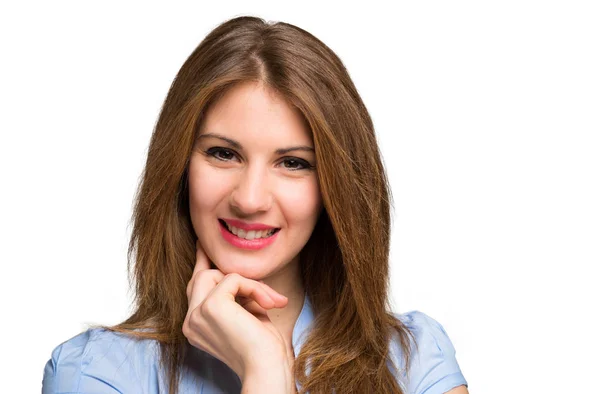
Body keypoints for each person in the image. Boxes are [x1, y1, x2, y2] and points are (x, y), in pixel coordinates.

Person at [42, 16, 468, 394]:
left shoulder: (415, 362)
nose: (249, 199)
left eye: (293, 163)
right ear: (179, 164)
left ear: (334, 187)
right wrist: (264, 370)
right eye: (223, 154)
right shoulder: (95, 374)